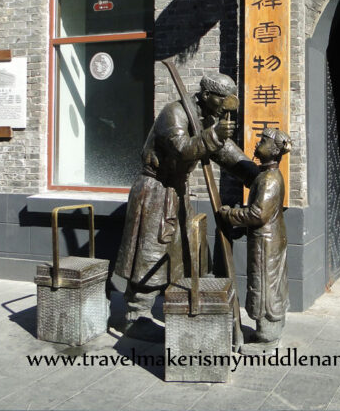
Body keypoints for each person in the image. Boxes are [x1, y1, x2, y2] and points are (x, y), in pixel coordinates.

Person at [115, 72, 258, 340]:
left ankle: (178, 303)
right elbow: (182, 148)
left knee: (183, 253)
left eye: (231, 98)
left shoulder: (207, 118)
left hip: (178, 191)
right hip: (155, 191)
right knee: (151, 252)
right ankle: (136, 315)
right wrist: (213, 135)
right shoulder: (175, 113)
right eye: (222, 99)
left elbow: (223, 150)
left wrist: (253, 174)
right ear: (206, 96)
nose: (228, 104)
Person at [218, 127, 291, 351]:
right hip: (267, 241)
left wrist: (230, 214)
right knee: (268, 283)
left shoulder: (270, 179)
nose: (258, 144)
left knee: (265, 285)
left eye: (263, 141)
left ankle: (267, 337)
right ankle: (269, 332)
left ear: (275, 150)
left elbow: (258, 214)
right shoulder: (264, 174)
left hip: (265, 244)